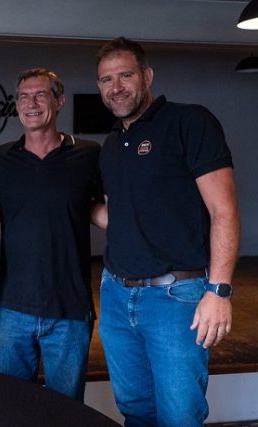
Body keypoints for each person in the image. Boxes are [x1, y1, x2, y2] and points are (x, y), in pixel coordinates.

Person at [94, 37, 240, 426]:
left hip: (175, 299)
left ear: (147, 76)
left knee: (179, 416)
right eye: (107, 79)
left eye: (125, 75)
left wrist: (219, 291)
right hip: (116, 295)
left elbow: (223, 211)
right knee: (135, 410)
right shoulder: (112, 145)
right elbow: (119, 215)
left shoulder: (189, 122)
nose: (116, 87)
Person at [0, 68, 103, 401]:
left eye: (41, 95)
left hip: (69, 309)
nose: (32, 103)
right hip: (12, 307)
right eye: (24, 97)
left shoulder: (88, 154)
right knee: (13, 408)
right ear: (16, 106)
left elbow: (109, 211)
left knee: (66, 411)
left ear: (59, 101)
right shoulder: (2, 157)